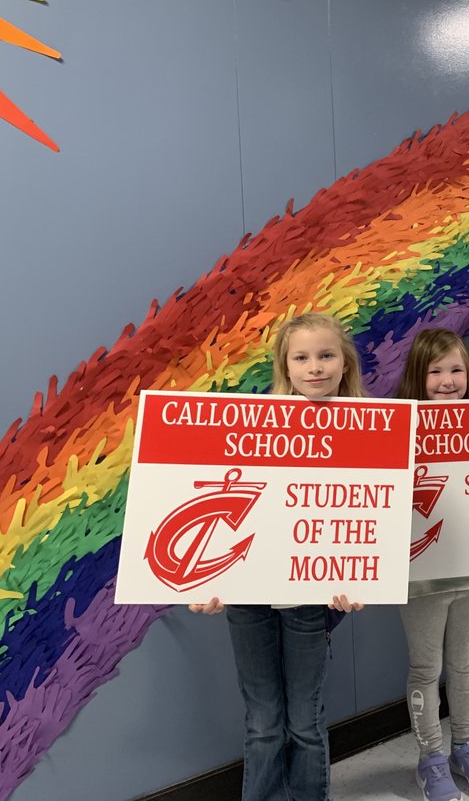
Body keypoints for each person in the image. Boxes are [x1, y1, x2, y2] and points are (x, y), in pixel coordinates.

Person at [189, 312, 364, 801]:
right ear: (285, 367)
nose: (315, 368)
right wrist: (207, 582)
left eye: (326, 355)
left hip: (312, 599)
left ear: (344, 363)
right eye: (302, 357)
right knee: (264, 722)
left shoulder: (369, 429)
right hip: (248, 597)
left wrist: (364, 577)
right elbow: (218, 505)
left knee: (305, 722)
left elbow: (369, 515)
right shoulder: (250, 425)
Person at [393, 328, 469, 801]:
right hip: (421, 575)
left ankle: (465, 746)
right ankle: (430, 758)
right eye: (435, 371)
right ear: (418, 376)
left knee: (464, 664)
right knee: (425, 668)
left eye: (456, 369)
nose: (447, 380)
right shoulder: (399, 428)